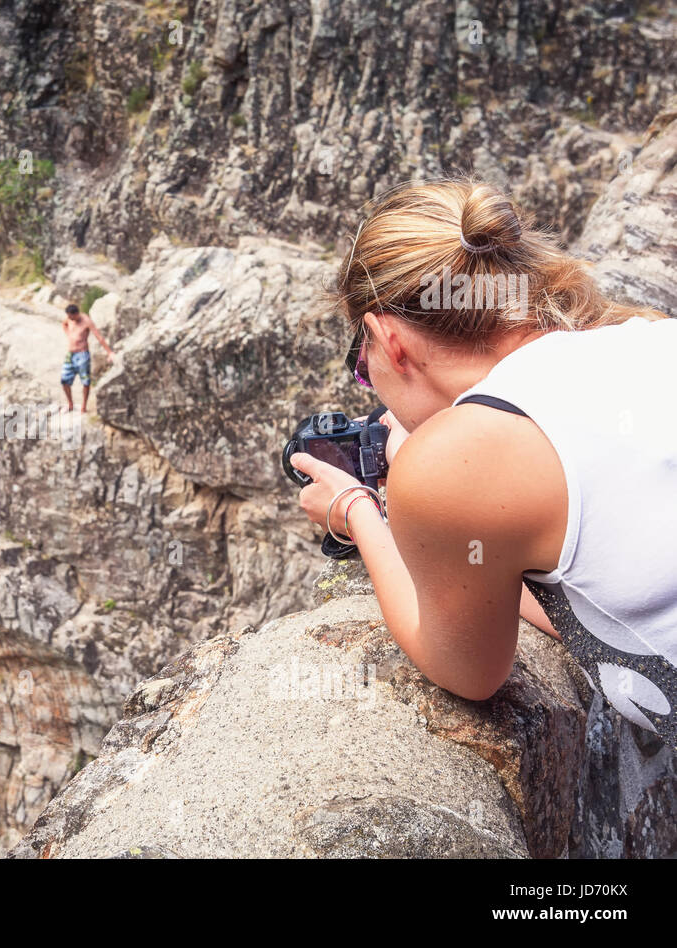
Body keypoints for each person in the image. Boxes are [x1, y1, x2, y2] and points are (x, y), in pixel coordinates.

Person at [287, 178, 677, 749]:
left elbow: (469, 672)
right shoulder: (648, 338)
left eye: (362, 362)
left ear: (385, 338)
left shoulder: (453, 464)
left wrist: (360, 511)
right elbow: (604, 610)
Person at [60, 302, 117, 412]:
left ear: (76, 314)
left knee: (85, 382)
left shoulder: (86, 321)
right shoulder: (69, 319)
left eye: (71, 317)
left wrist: (110, 352)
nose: (69, 319)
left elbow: (99, 336)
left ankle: (84, 407)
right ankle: (70, 404)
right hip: (70, 354)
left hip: (82, 355)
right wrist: (69, 335)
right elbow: (64, 324)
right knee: (64, 380)